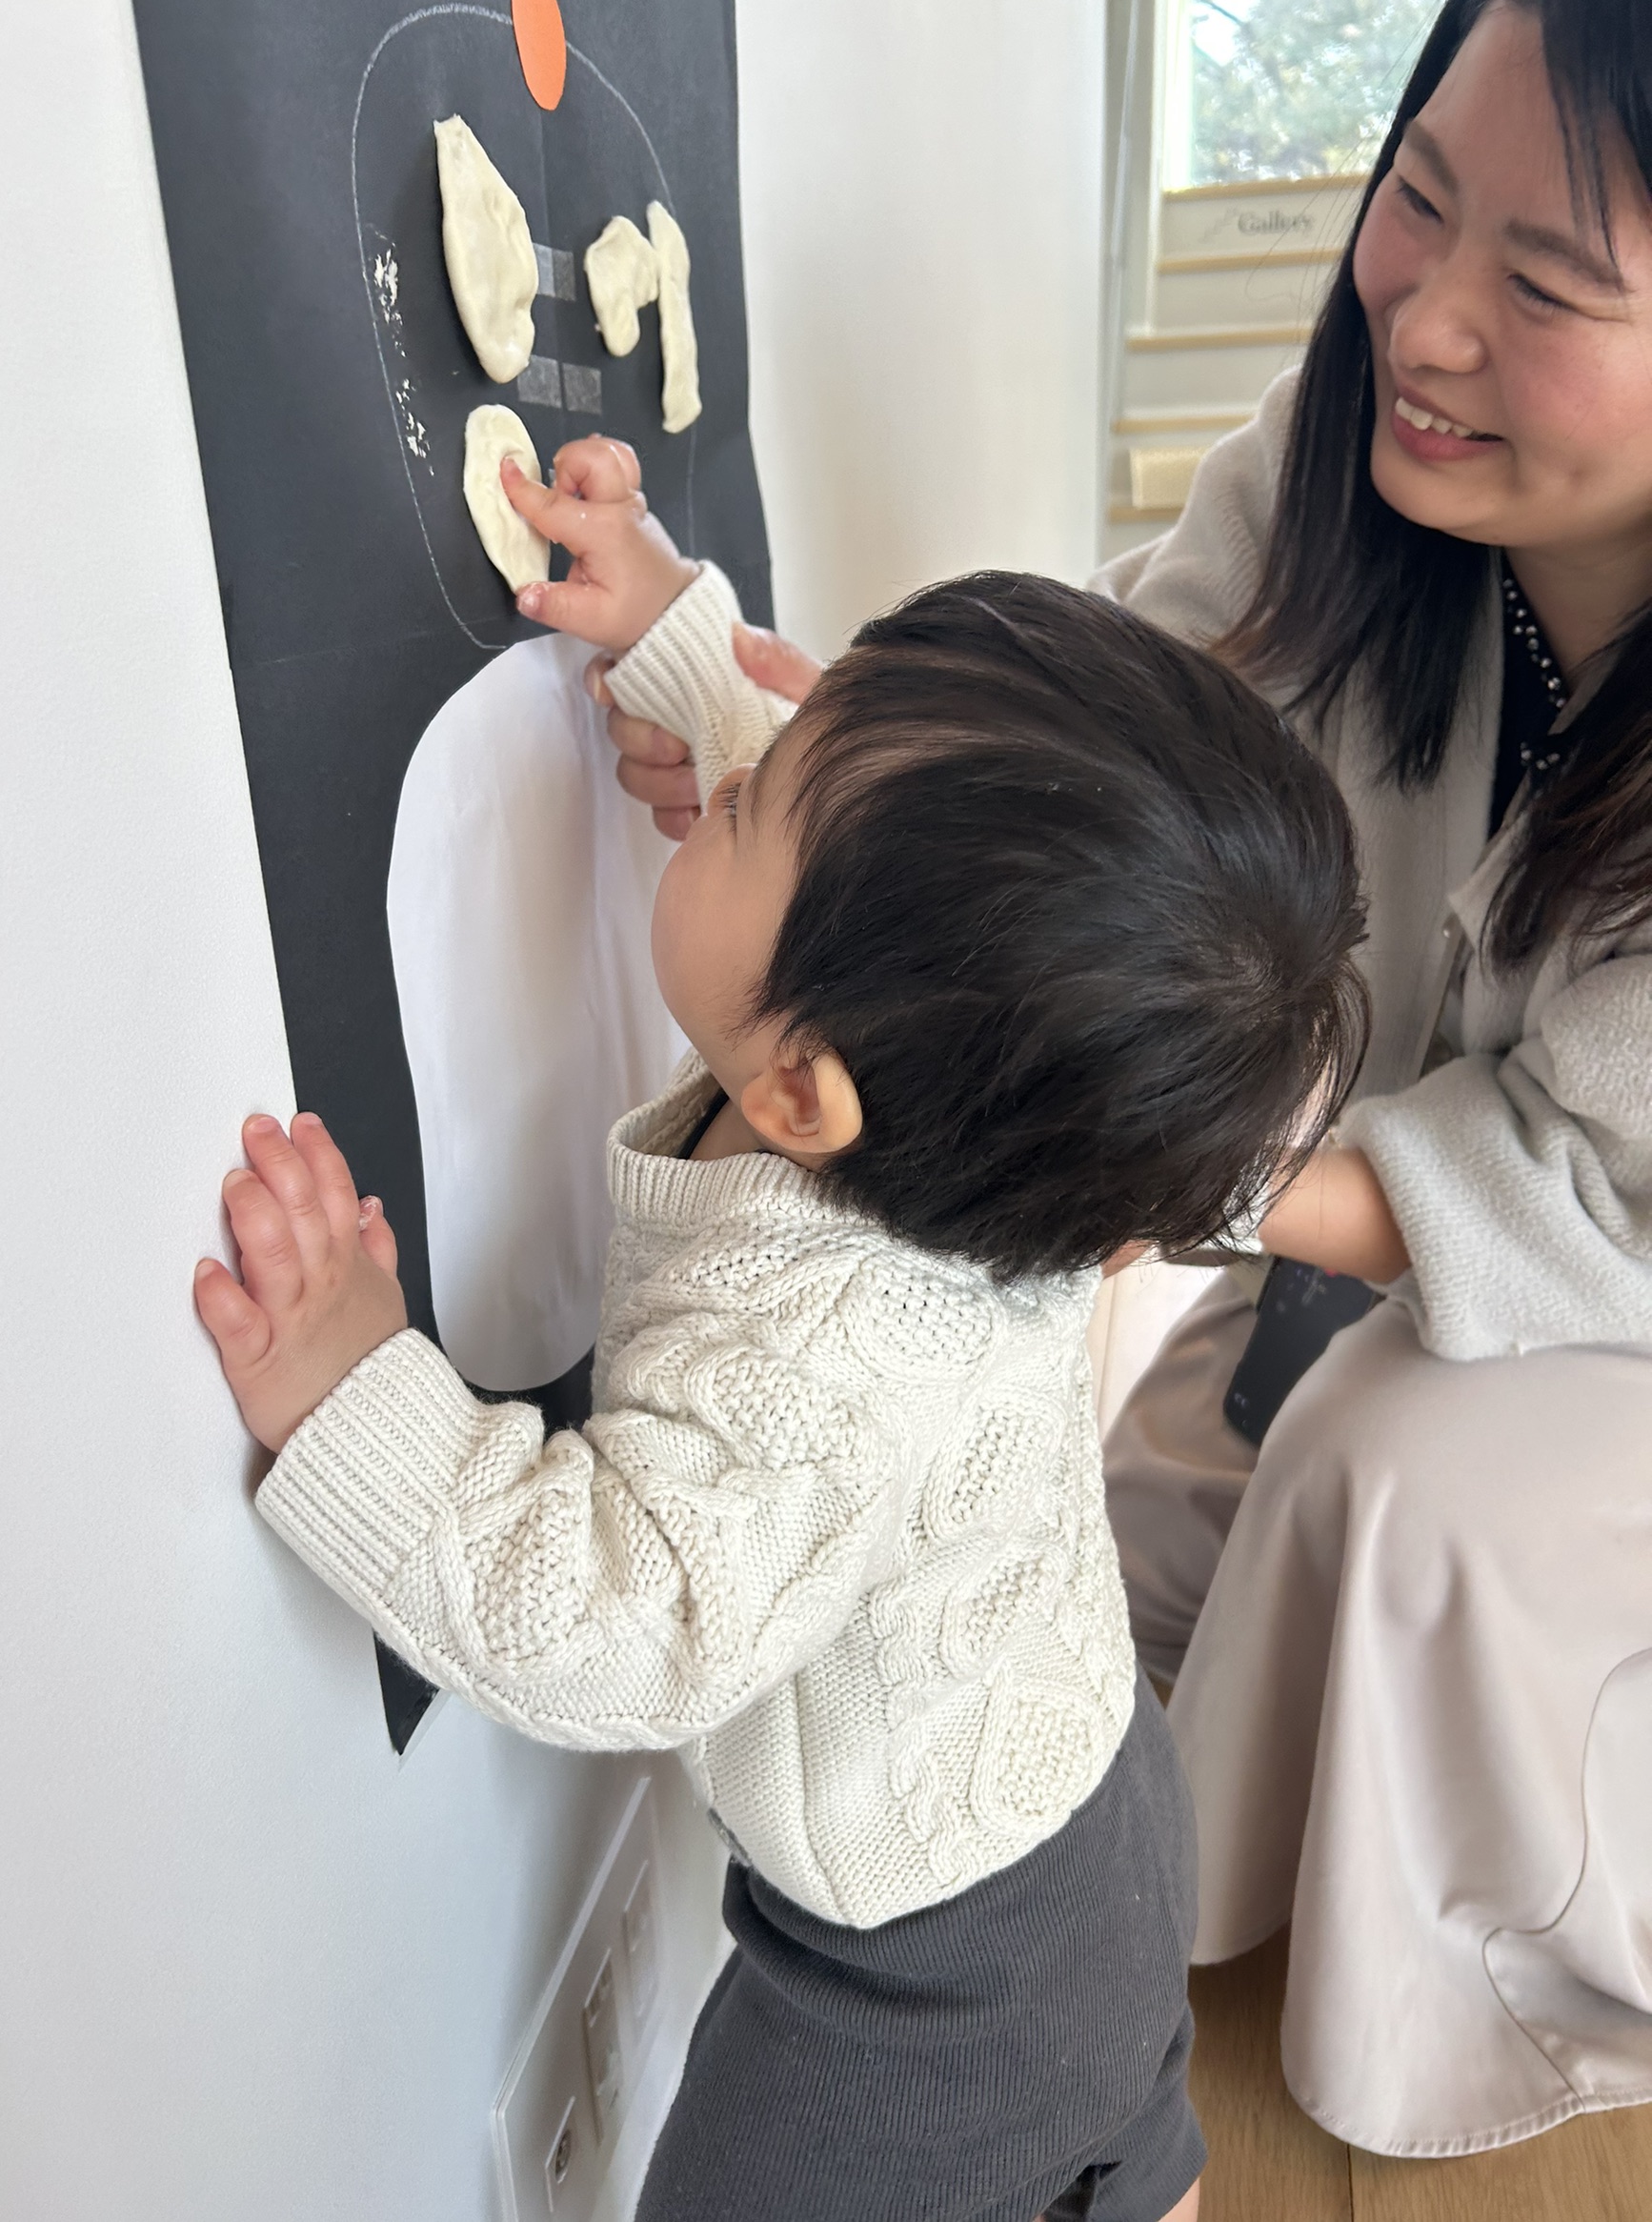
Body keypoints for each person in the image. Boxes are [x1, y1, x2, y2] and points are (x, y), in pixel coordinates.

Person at [595, 0, 1652, 2163]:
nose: (1422, 322)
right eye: (1413, 197)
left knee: (1379, 1461)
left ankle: (1446, 1977)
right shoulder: (1333, 464)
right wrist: (763, 717)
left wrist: (1133, 1143)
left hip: (1600, 1274)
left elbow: (1584, 1189)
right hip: (1298, 1234)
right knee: (1156, 1563)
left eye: (1546, 283)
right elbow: (1072, 787)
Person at [194, 439, 1370, 2222]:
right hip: (1084, 1791)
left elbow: (618, 1621)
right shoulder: (997, 1101)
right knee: (1107, 2132)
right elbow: (823, 797)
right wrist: (678, 636)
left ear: (803, 1091)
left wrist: (356, 1389)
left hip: (931, 1968)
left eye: (744, 807)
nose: (732, 774)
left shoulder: (817, 1353)